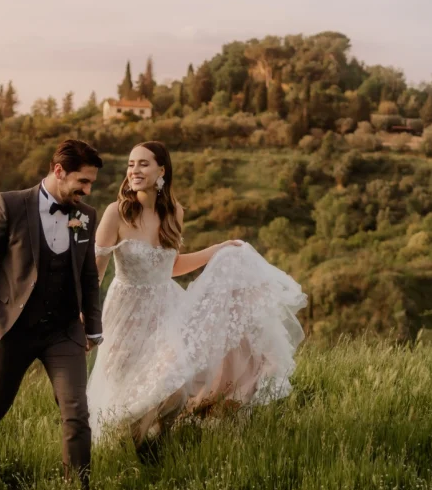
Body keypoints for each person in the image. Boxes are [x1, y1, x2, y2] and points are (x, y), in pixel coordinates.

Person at [87, 140, 307, 446]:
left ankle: (156, 444)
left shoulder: (174, 212)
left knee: (174, 383)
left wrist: (217, 251)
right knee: (127, 383)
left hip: (166, 307)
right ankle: (132, 442)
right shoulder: (116, 213)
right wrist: (86, 316)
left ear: (161, 170)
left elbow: (171, 266)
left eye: (143, 163)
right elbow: (95, 271)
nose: (135, 170)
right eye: (131, 164)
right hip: (127, 310)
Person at [0, 138, 104, 489]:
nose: (86, 191)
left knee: (77, 413)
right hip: (13, 328)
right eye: (81, 182)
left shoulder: (86, 216)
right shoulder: (10, 205)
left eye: (90, 184)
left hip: (64, 331)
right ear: (58, 171)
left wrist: (93, 329)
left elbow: (88, 276)